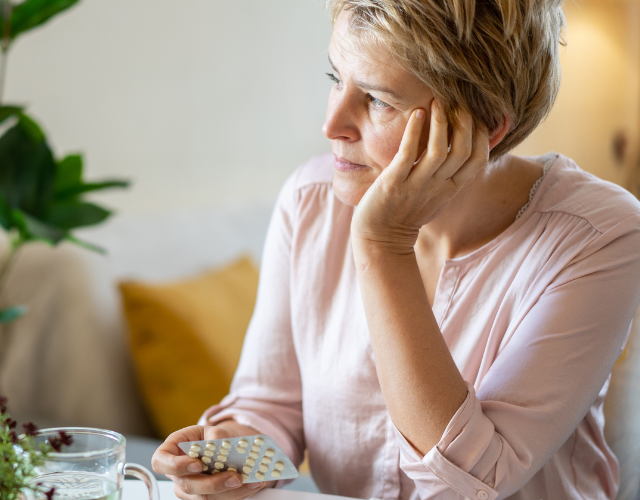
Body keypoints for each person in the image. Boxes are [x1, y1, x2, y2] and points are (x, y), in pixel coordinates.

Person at [151, 0, 640, 499]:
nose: (332, 124)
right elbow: (272, 408)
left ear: (486, 126)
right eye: (335, 77)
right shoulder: (309, 202)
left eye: (377, 100)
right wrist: (225, 458)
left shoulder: (598, 236)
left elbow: (473, 485)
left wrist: (383, 247)